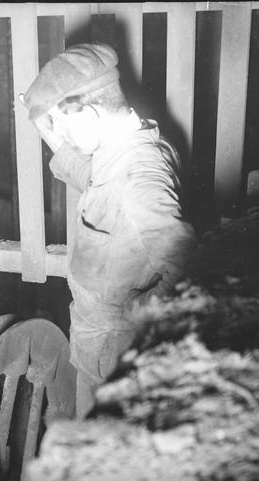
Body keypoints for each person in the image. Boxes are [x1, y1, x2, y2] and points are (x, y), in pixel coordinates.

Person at [22, 43, 196, 418]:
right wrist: (49, 131)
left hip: (114, 356)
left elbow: (188, 268)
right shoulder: (127, 146)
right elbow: (98, 183)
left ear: (90, 112)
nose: (64, 136)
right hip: (98, 345)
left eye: (65, 125)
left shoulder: (141, 180)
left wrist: (134, 315)